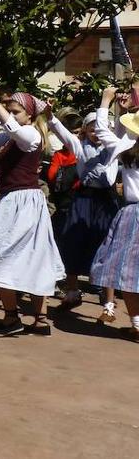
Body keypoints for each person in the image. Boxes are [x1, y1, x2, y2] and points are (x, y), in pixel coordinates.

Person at [0, 87, 66, 336]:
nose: (12, 115)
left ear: (29, 115)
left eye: (16, 111)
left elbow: (12, 129)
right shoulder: (15, 136)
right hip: (15, 201)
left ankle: (15, 318)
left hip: (23, 202)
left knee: (6, 255)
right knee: (27, 257)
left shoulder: (31, 134)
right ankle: (36, 319)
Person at [49, 93, 121, 312]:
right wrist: (50, 116)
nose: (97, 134)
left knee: (106, 246)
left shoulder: (114, 147)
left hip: (106, 200)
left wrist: (120, 106)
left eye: (100, 130)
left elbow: (120, 128)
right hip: (83, 200)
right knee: (73, 241)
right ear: (85, 131)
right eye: (92, 130)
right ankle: (72, 293)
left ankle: (108, 301)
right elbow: (61, 132)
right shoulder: (80, 147)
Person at [89, 93, 139, 341]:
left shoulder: (128, 150)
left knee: (128, 272)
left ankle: (137, 323)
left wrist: (105, 103)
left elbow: (103, 132)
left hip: (134, 214)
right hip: (132, 213)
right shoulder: (128, 148)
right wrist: (122, 114)